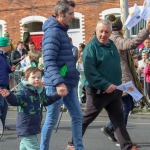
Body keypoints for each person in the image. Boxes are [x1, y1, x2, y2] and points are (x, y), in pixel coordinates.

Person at [67, 20, 139, 150]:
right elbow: (90, 72)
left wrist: (118, 84)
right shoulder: (90, 48)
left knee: (119, 119)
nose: (103, 34)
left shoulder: (111, 44)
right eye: (101, 31)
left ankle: (127, 146)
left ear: (111, 33)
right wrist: (105, 85)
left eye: (107, 32)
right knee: (87, 118)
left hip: (115, 90)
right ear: (96, 31)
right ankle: (72, 143)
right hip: (98, 91)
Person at [100, 14, 150, 147]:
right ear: (119, 28)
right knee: (126, 106)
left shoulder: (113, 37)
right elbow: (130, 44)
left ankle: (112, 129)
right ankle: (119, 135)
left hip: (122, 78)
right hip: (121, 80)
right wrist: (146, 29)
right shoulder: (115, 38)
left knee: (128, 105)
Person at [40, 0, 84, 150]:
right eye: (70, 13)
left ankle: (79, 147)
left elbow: (62, 60)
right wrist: (59, 83)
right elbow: (49, 61)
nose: (73, 16)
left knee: (78, 116)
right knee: (51, 120)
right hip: (56, 85)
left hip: (69, 83)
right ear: (60, 14)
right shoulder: (52, 32)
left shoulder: (61, 31)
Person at [0, 67, 62, 150]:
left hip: (34, 125)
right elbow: (15, 100)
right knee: (34, 147)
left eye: (39, 77)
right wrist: (9, 95)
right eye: (33, 77)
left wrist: (58, 94)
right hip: (26, 126)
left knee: (24, 147)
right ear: (27, 79)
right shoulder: (23, 91)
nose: (37, 79)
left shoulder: (39, 91)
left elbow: (47, 100)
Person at [0, 37, 16, 127]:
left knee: (5, 106)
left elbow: (7, 69)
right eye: (8, 45)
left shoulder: (5, 56)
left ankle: (2, 125)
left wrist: (11, 69)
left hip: (4, 85)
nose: (9, 47)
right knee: (1, 105)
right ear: (3, 46)